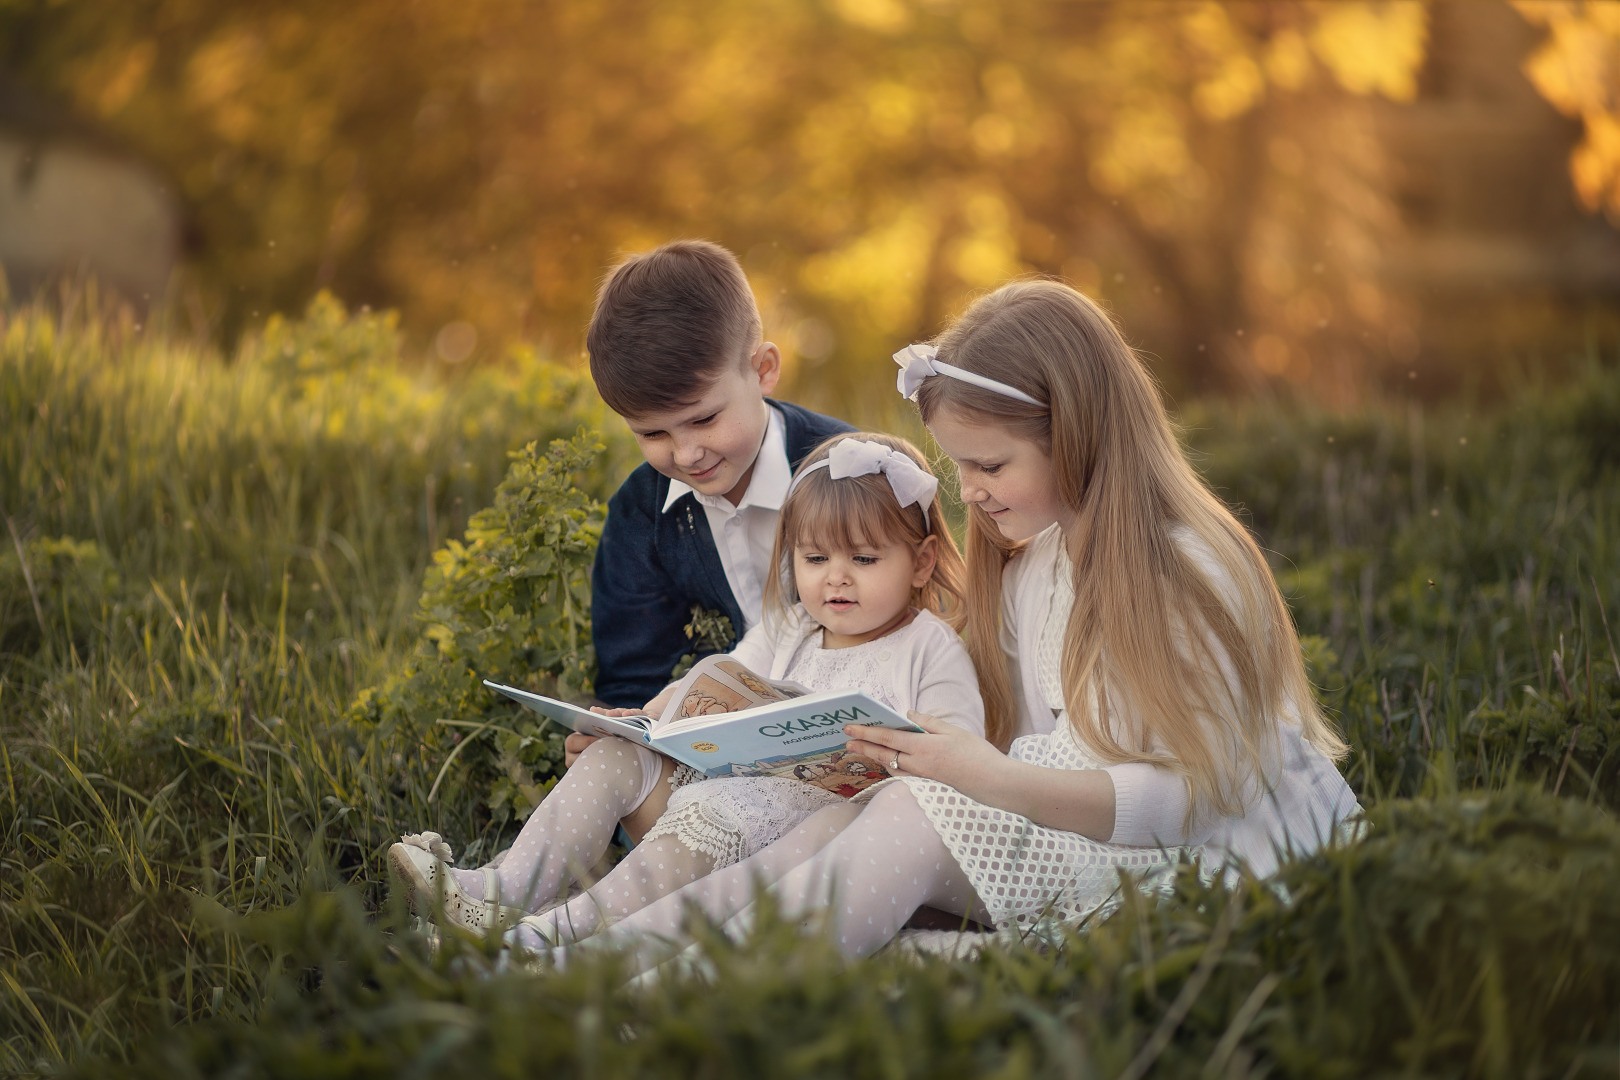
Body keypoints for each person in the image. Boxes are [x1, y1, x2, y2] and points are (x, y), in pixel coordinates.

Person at [533, 279, 1360, 967]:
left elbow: (1197, 801)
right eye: (960, 465)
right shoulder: (1038, 557)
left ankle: (677, 994)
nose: (968, 493)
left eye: (990, 465)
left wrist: (980, 777)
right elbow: (1028, 735)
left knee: (914, 820)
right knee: (857, 820)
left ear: (1078, 432)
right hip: (1088, 840)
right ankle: (584, 951)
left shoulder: (1183, 569)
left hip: (1219, 868)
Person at [395, 433, 985, 940]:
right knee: (613, 756)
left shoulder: (930, 648)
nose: (836, 577)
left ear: (923, 562)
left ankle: (548, 935)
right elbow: (716, 684)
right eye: (813, 558)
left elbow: (959, 766)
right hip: (714, 798)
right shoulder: (792, 628)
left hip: (798, 846)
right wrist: (644, 722)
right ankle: (504, 890)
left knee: (694, 838)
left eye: (863, 557)